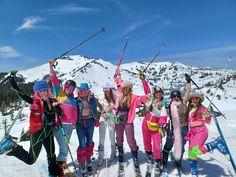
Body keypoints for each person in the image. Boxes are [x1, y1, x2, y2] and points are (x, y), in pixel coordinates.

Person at [0, 74, 61, 176]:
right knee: (30, 160)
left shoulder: (53, 101)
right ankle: (12, 147)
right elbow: (22, 95)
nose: (43, 93)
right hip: (38, 133)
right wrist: (12, 81)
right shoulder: (35, 102)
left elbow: (61, 114)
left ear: (48, 90)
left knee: (51, 155)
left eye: (44, 90)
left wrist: (58, 108)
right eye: (40, 92)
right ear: (37, 93)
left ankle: (53, 173)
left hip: (49, 132)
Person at [185, 92, 228, 176]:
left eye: (197, 99)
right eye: (193, 98)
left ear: (199, 100)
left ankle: (216, 144)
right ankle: (194, 170)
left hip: (201, 131)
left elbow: (207, 121)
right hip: (192, 133)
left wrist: (208, 114)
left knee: (195, 151)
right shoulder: (190, 109)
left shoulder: (202, 108)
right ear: (190, 100)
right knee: (190, 152)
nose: (195, 100)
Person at [114, 70, 149, 170]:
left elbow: (147, 96)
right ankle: (120, 152)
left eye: (127, 88)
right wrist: (118, 74)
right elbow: (118, 82)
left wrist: (143, 80)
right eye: (124, 88)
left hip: (128, 121)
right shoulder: (119, 94)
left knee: (130, 140)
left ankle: (134, 154)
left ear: (130, 89)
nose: (125, 89)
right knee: (119, 138)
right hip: (118, 120)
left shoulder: (134, 98)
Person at [49, 60, 77, 177]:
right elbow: (54, 80)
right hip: (61, 126)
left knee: (64, 147)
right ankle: (59, 169)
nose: (70, 89)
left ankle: (60, 163)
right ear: (65, 87)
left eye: (72, 88)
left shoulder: (74, 99)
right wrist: (50, 66)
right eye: (68, 87)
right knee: (64, 149)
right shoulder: (60, 94)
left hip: (70, 127)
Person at [162, 75, 191, 175]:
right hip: (172, 127)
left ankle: (178, 161)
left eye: (178, 96)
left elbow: (187, 92)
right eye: (174, 96)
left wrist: (188, 82)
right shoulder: (169, 105)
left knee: (181, 146)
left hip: (183, 128)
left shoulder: (183, 102)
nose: (176, 98)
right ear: (171, 98)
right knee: (169, 144)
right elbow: (162, 113)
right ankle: (164, 161)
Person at [75, 82, 104, 176]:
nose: (85, 92)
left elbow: (99, 105)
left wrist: (104, 112)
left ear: (88, 91)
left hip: (90, 121)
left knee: (89, 142)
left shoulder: (92, 99)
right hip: (79, 123)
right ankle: (82, 164)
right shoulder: (76, 100)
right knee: (82, 144)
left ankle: (89, 161)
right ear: (80, 91)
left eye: (86, 90)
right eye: (83, 90)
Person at [142, 84, 167, 177]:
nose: (158, 94)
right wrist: (143, 79)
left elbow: (164, 114)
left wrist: (161, 125)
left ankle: (157, 162)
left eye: (159, 93)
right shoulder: (151, 99)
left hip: (156, 126)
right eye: (156, 93)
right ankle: (149, 158)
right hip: (146, 123)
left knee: (157, 145)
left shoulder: (164, 102)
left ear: (162, 93)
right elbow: (146, 89)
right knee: (147, 142)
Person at [97, 83, 116, 166]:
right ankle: (101, 156)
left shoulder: (114, 97)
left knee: (111, 135)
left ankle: (113, 153)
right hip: (103, 117)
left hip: (111, 118)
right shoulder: (101, 97)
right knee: (102, 136)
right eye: (105, 89)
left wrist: (112, 110)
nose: (106, 91)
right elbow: (98, 108)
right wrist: (103, 112)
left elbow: (116, 108)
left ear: (110, 90)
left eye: (108, 89)